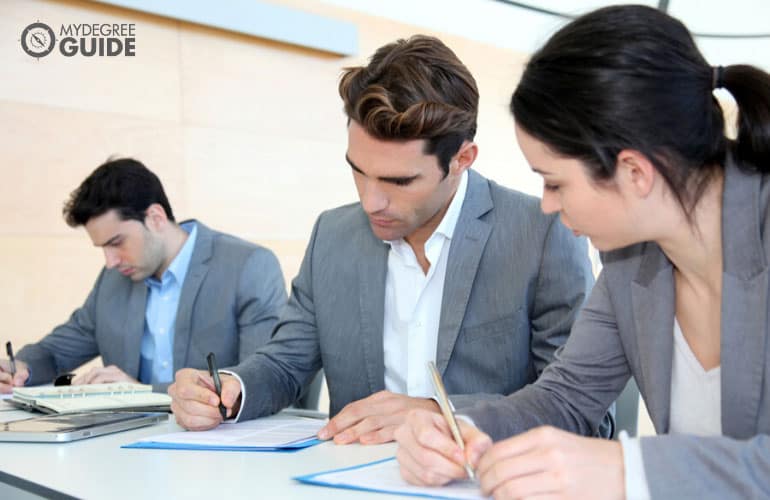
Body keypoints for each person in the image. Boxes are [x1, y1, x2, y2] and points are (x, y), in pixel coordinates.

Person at [394, 5, 770, 499]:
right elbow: (565, 398)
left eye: (554, 183)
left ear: (634, 172)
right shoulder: (630, 261)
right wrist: (454, 427)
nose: (548, 207)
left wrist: (628, 470)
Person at [168, 35, 599, 443]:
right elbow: (284, 364)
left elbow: (581, 412)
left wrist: (438, 413)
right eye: (358, 170)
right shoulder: (332, 235)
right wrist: (230, 389)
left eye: (398, 180)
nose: (371, 201)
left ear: (461, 160)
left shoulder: (543, 232)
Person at [0, 158, 286, 393]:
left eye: (116, 243)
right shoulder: (113, 279)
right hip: (126, 447)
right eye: (102, 248)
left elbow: (261, 380)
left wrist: (141, 393)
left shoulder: (248, 266)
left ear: (156, 218)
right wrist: (20, 366)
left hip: (220, 450)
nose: (110, 262)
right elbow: (57, 350)